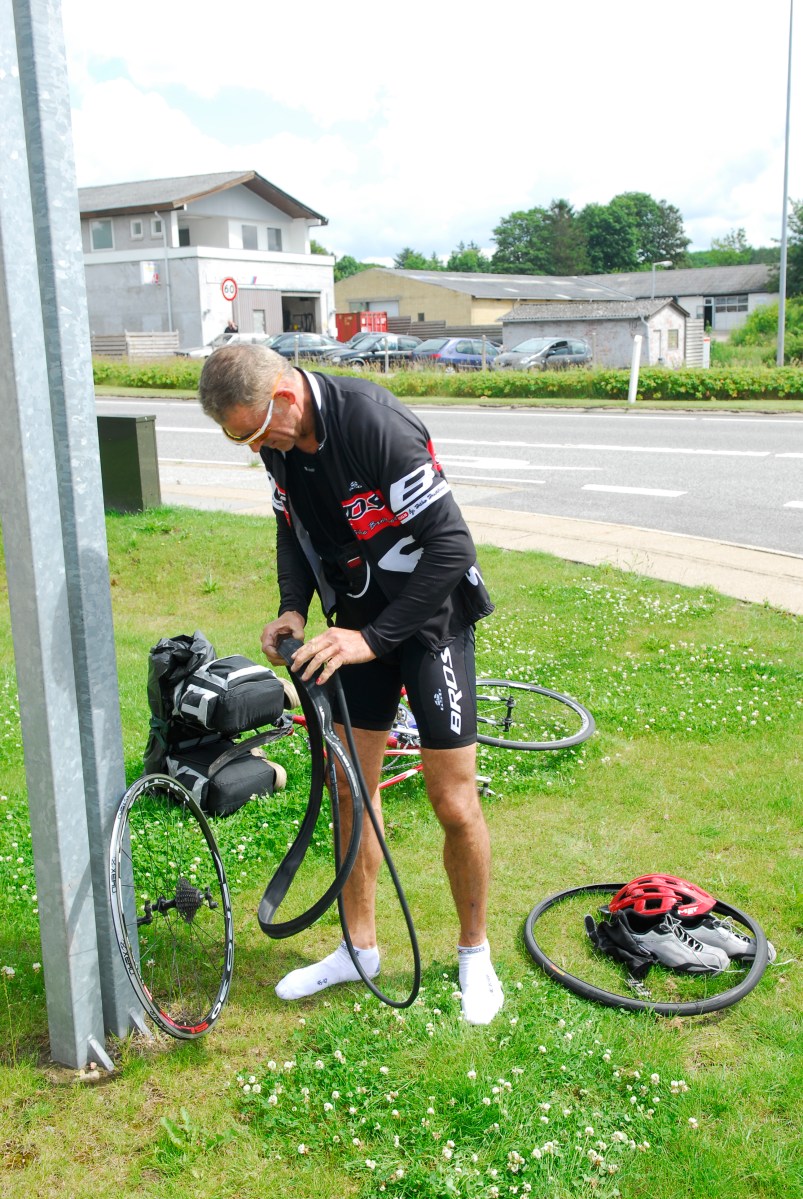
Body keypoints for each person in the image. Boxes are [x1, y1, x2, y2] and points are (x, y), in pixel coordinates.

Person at [198, 344, 504, 1025]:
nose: (255, 449)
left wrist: (372, 638)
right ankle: (357, 948)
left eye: (254, 432)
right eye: (239, 439)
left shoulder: (373, 423)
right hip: (353, 632)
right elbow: (293, 527)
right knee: (348, 790)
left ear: (285, 393)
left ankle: (474, 955)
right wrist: (291, 607)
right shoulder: (279, 445)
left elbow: (453, 546)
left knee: (451, 801)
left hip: (429, 626)